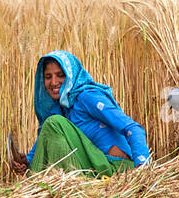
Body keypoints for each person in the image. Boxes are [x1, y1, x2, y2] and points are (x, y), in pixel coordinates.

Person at [9, 52, 150, 176]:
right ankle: (37, 185)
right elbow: (38, 150)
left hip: (114, 169)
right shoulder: (59, 109)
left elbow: (132, 128)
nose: (53, 82)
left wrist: (141, 169)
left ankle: (36, 182)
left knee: (53, 122)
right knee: (51, 123)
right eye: (48, 76)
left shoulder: (87, 97)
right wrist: (26, 164)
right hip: (91, 170)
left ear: (71, 76)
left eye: (60, 75)